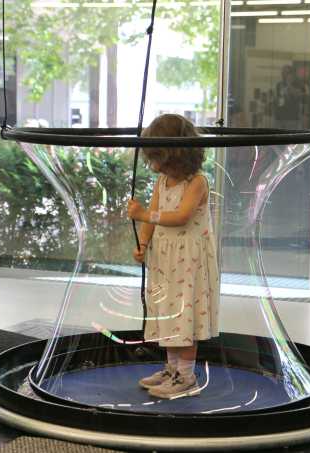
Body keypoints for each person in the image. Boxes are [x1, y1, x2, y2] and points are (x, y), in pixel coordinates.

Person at [127, 113, 219, 399]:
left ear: (179, 156)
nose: (155, 167)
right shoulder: (162, 182)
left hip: (188, 262)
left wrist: (144, 213)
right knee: (168, 315)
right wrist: (142, 242)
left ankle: (187, 376)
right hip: (165, 260)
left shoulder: (197, 182)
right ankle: (172, 368)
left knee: (184, 317)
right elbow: (151, 222)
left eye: (160, 160)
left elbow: (180, 216)